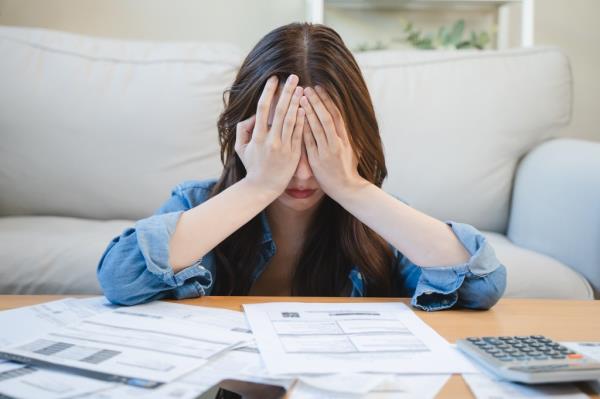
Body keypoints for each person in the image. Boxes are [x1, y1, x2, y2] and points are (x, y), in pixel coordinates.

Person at [97, 23, 506, 310]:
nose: (304, 173)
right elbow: (120, 277)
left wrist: (351, 188)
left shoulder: (377, 221)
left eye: (320, 143)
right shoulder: (197, 203)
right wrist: (258, 186)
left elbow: (483, 285)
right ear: (245, 134)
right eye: (284, 141)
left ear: (355, 138)